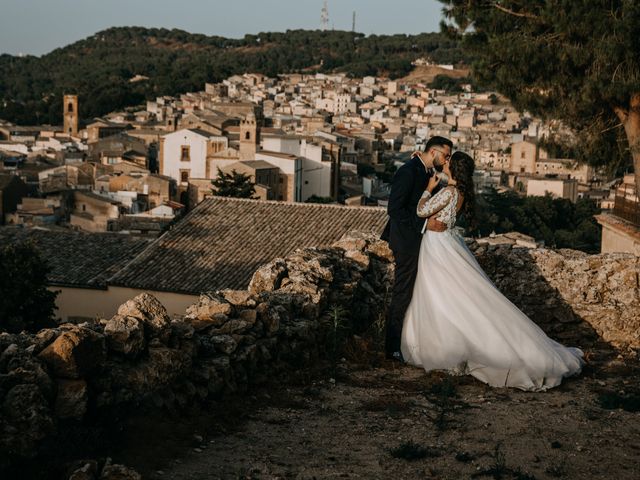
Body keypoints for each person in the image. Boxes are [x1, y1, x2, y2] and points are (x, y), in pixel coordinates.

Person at [401, 151, 584, 390]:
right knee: (450, 296)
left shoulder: (447, 191)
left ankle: (446, 348)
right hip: (447, 243)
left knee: (438, 294)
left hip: (437, 246)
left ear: (455, 169)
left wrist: (427, 188)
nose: (444, 163)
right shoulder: (461, 194)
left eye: (448, 162)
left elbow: (421, 211)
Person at [381, 136, 453, 361]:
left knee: (413, 292)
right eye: (446, 155)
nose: (447, 159)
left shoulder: (425, 170)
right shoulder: (408, 171)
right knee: (402, 292)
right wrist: (424, 224)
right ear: (433, 152)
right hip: (406, 242)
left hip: (418, 240)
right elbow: (394, 209)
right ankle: (392, 348)